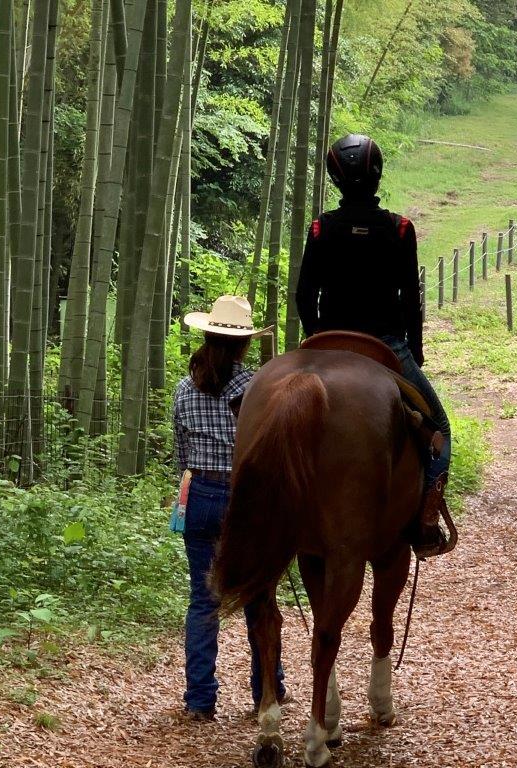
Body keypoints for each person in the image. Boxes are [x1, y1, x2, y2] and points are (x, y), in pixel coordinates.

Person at [295, 133, 451, 559]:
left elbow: (304, 295)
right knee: (439, 428)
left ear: (336, 179)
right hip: (385, 345)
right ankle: (425, 520)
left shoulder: (321, 227)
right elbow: (408, 298)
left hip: (327, 345)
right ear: (377, 173)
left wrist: (314, 339)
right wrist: (413, 350)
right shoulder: (400, 228)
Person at [173, 294, 287, 721]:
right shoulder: (260, 390)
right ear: (244, 345)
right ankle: (266, 691)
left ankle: (199, 700)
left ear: (207, 335)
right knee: (258, 596)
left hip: (199, 493)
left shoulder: (184, 389)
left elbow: (180, 454)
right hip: (246, 500)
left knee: (204, 600)